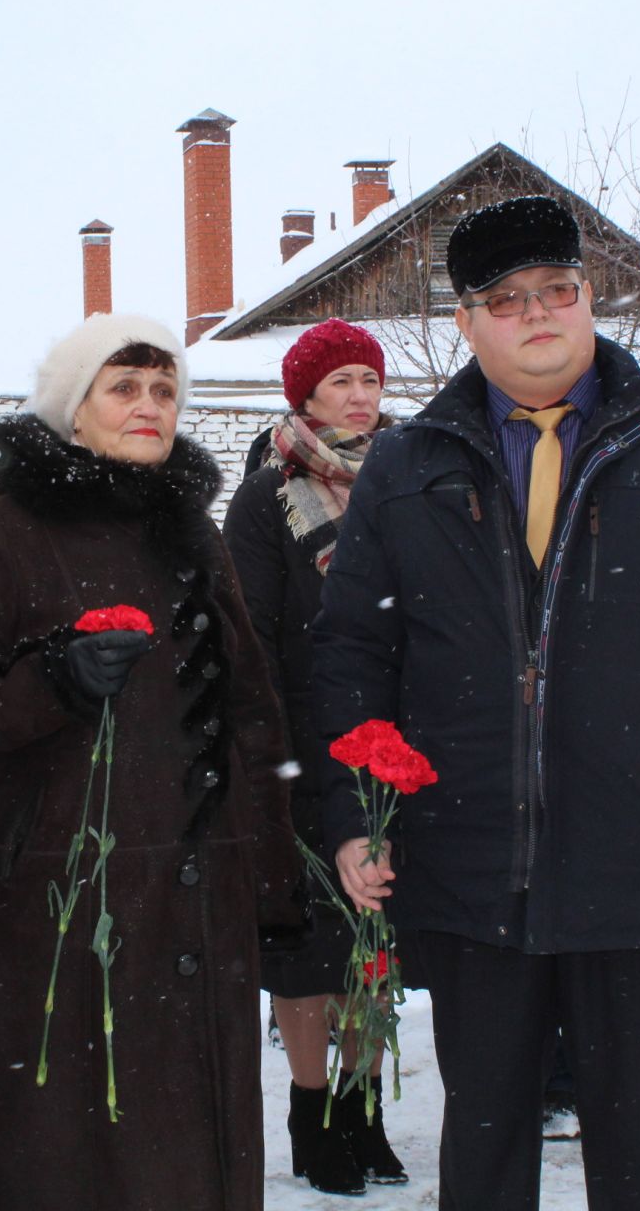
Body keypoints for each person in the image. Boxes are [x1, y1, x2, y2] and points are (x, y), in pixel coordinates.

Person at [312, 197, 640, 1209]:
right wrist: (356, 813)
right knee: (484, 1140)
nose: (537, 312)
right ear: (466, 321)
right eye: (507, 299)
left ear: (588, 299)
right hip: (470, 854)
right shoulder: (411, 463)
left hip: (639, 854)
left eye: (558, 290)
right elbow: (354, 650)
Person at [0, 312, 301, 1210]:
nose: (149, 405)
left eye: (165, 390)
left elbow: (249, 708)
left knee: (184, 1149)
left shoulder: (194, 533)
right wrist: (53, 677)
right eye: (124, 387)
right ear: (73, 409)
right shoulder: (8, 527)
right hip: (56, 903)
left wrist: (271, 873)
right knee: (59, 1152)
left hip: (198, 897)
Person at [224, 317, 401, 1196]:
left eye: (370, 380)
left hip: (395, 746)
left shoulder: (410, 477)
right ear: (305, 397)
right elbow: (248, 632)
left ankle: (364, 1103)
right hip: (299, 742)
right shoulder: (268, 497)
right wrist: (270, 751)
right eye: (341, 383)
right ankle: (311, 1106)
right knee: (308, 949)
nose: (361, 398)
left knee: (377, 942)